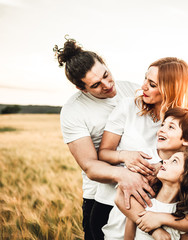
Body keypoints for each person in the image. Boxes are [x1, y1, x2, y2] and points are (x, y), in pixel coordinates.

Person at [97, 58, 188, 239]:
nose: (143, 86)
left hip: (162, 205)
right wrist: (125, 156)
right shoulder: (128, 106)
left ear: (170, 89)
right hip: (119, 205)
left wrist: (162, 165)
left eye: (152, 84)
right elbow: (103, 153)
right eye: (145, 79)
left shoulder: (184, 119)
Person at [54, 36, 154, 240]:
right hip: (101, 199)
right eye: (96, 85)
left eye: (106, 75)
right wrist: (124, 173)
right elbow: (90, 165)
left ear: (106, 64)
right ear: (81, 89)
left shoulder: (132, 89)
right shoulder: (73, 111)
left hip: (148, 192)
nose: (107, 85)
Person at [116, 107, 188, 239]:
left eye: (171, 127)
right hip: (116, 231)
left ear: (187, 140)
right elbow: (120, 197)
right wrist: (155, 231)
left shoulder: (181, 208)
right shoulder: (143, 158)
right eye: (163, 125)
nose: (161, 129)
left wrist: (160, 219)